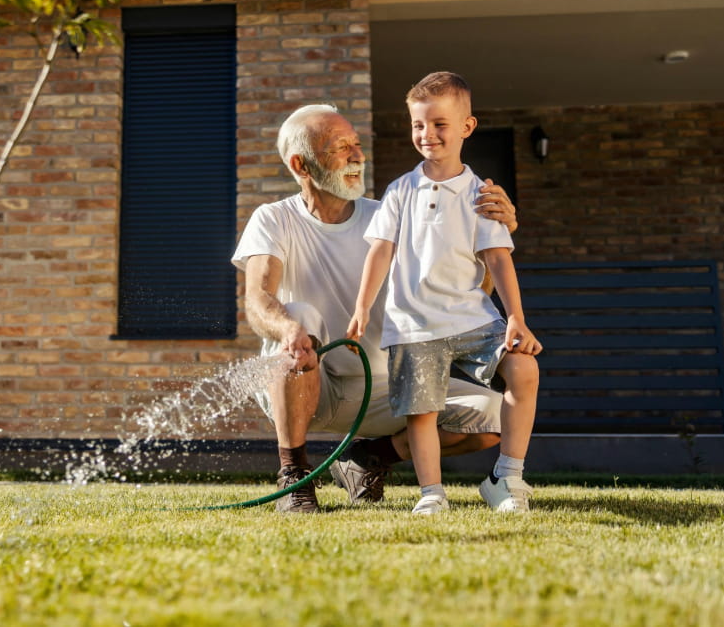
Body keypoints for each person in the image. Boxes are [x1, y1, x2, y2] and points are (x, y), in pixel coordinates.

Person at [230, 103, 518, 513]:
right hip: (309, 379)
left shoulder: (389, 215)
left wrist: (495, 233)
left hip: (386, 389)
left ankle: (369, 459)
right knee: (299, 316)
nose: (357, 155)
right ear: (302, 165)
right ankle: (294, 476)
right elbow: (259, 300)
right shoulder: (274, 219)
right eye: (340, 147)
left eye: (357, 144)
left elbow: (460, 290)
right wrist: (288, 331)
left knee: (494, 417)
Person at [347, 71, 541, 515]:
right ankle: (431, 493)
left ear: (466, 128)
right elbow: (380, 253)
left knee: (524, 370)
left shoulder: (482, 194)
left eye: (439, 124)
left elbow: (497, 259)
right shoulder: (400, 191)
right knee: (423, 412)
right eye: (418, 124)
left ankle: (507, 479)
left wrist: (515, 317)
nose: (427, 134)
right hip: (414, 325)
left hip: (473, 318)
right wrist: (361, 308)